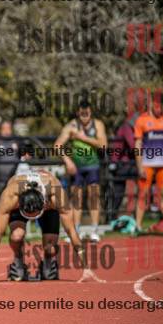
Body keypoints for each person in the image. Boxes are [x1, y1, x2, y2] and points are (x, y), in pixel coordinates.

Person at [0, 169, 99, 283]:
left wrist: (86, 268)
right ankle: (18, 260)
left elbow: (71, 231)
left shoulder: (56, 194)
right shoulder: (11, 195)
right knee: (16, 236)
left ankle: (48, 263)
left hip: (48, 208)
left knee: (50, 249)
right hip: (21, 204)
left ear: (44, 203)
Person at [54, 102, 107, 238]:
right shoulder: (71, 126)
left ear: (91, 112)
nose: (85, 116)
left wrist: (83, 138)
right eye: (82, 114)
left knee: (93, 197)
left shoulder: (98, 125)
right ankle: (75, 231)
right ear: (78, 113)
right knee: (76, 199)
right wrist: (67, 161)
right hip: (76, 167)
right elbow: (57, 145)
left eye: (87, 113)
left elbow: (103, 145)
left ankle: (94, 230)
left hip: (93, 166)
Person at [133, 95, 163, 235]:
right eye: (157, 104)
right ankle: (138, 227)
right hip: (147, 164)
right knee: (143, 194)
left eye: (161, 104)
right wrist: (139, 165)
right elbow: (138, 144)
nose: (159, 107)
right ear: (151, 103)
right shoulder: (142, 120)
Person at [106, 111, 140, 220]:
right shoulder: (127, 128)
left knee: (120, 191)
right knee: (118, 192)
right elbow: (133, 146)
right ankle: (111, 217)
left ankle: (136, 214)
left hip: (125, 163)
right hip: (120, 164)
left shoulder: (128, 127)